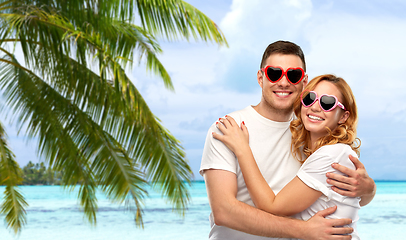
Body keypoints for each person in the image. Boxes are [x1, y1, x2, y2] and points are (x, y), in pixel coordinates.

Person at [199, 41, 376, 240]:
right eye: (274, 73)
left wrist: (369, 189)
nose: (283, 82)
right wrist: (303, 230)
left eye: (293, 75)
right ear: (260, 77)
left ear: (304, 81)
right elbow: (224, 211)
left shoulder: (310, 132)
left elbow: (338, 195)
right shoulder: (229, 129)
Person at [214, 74, 362, 239]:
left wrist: (242, 149)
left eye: (327, 103)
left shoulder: (332, 154)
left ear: (343, 116)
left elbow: (271, 206)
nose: (314, 107)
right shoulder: (325, 154)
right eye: (309, 98)